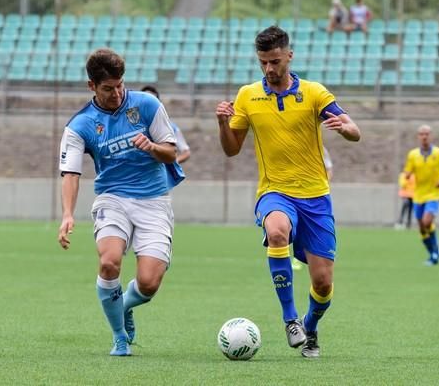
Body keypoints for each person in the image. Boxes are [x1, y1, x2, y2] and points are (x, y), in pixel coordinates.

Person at [215, 26, 361, 358]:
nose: (269, 69)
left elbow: (354, 130)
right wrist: (223, 124)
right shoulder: (247, 96)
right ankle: (290, 318)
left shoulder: (313, 93)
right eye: (263, 62)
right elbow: (231, 150)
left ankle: (310, 327)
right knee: (277, 230)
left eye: (275, 61)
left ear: (289, 56)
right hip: (274, 191)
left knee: (323, 284)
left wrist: (346, 129)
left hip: (316, 197)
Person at [57, 48, 185, 356]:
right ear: (92, 87)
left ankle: (124, 305)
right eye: (107, 88)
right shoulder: (79, 126)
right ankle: (119, 337)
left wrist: (152, 146)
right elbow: (70, 173)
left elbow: (172, 152)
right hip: (112, 199)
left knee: (149, 283)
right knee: (109, 261)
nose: (116, 93)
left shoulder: (147, 105)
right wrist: (67, 214)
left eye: (119, 85)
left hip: (153, 200)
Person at [402, 125, 439, 266]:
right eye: (421, 134)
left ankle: (435, 251)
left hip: (435, 193)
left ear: (431, 136)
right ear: (418, 137)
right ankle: (433, 253)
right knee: (422, 228)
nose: (424, 136)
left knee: (427, 221)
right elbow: (407, 171)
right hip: (418, 195)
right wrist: (406, 176)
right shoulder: (413, 155)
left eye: (427, 134)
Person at [292, 146, 333, 271]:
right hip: (293, 193)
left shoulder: (321, 148)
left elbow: (329, 169)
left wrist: (323, 185)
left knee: (312, 227)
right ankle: (298, 256)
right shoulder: (290, 147)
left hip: (316, 195)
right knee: (294, 225)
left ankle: (309, 256)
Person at [141, 85, 191, 164]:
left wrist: (173, 162)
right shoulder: (133, 127)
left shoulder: (171, 127)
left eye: (152, 101)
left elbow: (186, 152)